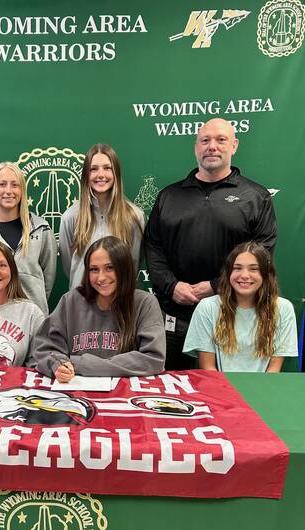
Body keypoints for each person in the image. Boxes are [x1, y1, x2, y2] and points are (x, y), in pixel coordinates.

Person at [144, 118, 277, 370]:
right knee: (173, 397)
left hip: (230, 318)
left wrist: (216, 286)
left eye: (220, 140)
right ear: (196, 147)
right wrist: (172, 286)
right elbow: (154, 247)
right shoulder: (169, 196)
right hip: (173, 321)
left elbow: (263, 255)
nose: (212, 146)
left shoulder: (256, 197)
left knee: (228, 399)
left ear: (234, 145)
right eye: (205, 140)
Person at [33, 236, 165, 380]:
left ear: (124, 268)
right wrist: (58, 364)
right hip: (75, 392)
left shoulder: (145, 303)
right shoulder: (70, 300)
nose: (101, 278)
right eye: (94, 270)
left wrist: (82, 365)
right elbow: (45, 348)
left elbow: (153, 359)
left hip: (125, 395)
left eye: (109, 268)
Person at [183, 242, 297, 372]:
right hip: (220, 387)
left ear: (266, 274)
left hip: (264, 388)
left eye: (253, 269)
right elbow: (208, 368)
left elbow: (274, 370)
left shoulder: (283, 309)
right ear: (228, 273)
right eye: (237, 268)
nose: (244, 275)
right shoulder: (207, 307)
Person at [0, 162, 57, 315]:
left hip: (34, 318)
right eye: (2, 184)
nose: (8, 191)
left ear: (22, 190)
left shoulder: (42, 229)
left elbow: (48, 278)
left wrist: (34, 302)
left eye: (15, 185)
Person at [59, 143, 144, 289]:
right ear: (86, 174)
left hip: (120, 302)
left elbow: (133, 264)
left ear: (116, 173)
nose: (101, 175)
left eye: (107, 168)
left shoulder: (134, 216)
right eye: (93, 169)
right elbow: (69, 266)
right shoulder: (71, 217)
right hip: (81, 301)